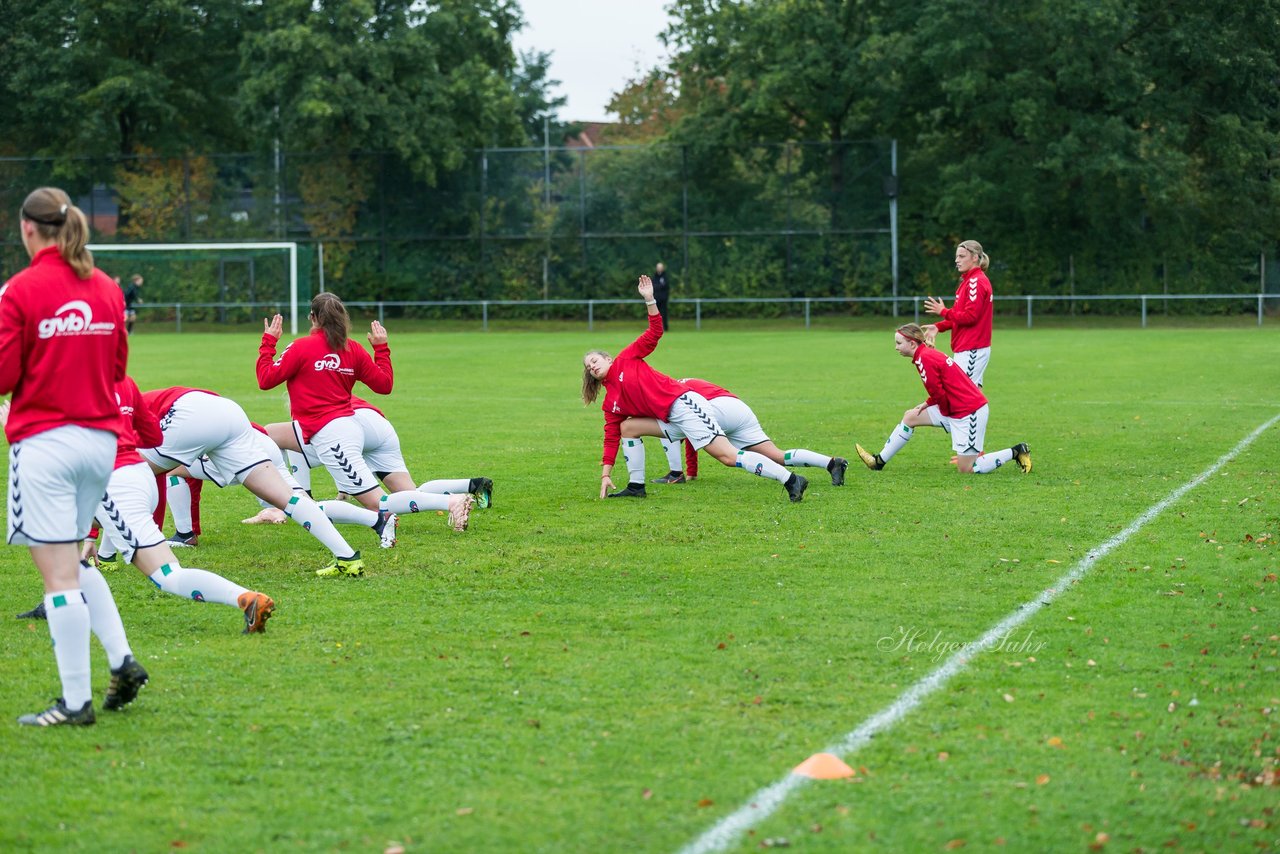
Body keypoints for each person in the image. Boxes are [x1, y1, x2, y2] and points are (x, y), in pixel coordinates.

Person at [0, 187, 144, 726]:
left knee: (58, 577)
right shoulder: (106, 288)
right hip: (101, 444)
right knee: (76, 565)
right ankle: (122, 660)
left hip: (46, 443)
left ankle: (76, 703)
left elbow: (5, 377)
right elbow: (116, 371)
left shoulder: (19, 289)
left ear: (28, 229)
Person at [11, 378, 277, 633]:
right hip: (138, 476)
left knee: (167, 575)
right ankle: (56, 600)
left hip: (114, 484)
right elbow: (152, 436)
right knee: (60, 532)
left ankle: (245, 598)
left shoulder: (64, 388)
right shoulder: (122, 381)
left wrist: (13, 429)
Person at [257, 294, 474, 561]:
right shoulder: (353, 349)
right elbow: (384, 385)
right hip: (351, 426)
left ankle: (451, 501)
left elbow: (265, 379)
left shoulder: (300, 347)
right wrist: (381, 349)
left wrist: (268, 342)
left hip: (332, 436)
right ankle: (296, 501)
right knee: (273, 436)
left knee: (379, 504)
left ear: (312, 318)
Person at [583, 275, 808, 502]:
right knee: (627, 428)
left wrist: (650, 299)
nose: (592, 366)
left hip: (684, 405)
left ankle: (790, 479)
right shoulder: (610, 402)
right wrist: (606, 474)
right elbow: (610, 437)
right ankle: (636, 486)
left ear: (608, 359)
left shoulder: (627, 358)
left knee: (728, 457)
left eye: (594, 360)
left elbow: (655, 333)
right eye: (588, 366)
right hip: (670, 419)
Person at [137, 386, 369, 577]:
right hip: (230, 413)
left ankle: (107, 555)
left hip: (192, 414)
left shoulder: (111, 414)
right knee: (289, 498)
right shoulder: (122, 398)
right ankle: (348, 558)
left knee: (131, 473)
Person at [263, 394, 494, 512]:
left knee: (271, 435)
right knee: (409, 492)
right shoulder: (332, 379)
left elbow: (335, 446)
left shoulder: (306, 399)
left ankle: (299, 501)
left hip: (348, 427)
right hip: (378, 425)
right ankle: (473, 486)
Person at [854, 323, 1031, 475]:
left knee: (966, 469)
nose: (896, 347)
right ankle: (878, 462)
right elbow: (940, 390)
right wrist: (928, 403)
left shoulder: (924, 359)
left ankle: (1017, 451)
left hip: (969, 411)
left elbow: (939, 393)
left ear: (912, 343)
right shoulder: (924, 355)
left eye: (899, 343)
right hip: (954, 408)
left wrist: (947, 418)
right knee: (910, 417)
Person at [642, 378, 848, 487]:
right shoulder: (682, 382)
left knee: (666, 423)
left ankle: (675, 474)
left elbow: (691, 425)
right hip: (738, 409)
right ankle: (832, 463)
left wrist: (691, 471)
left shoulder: (670, 394)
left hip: (718, 409)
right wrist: (693, 471)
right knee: (777, 455)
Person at [922, 239, 993, 385]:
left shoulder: (975, 282)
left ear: (974, 257)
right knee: (971, 395)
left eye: (961, 256)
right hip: (966, 348)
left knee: (961, 395)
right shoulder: (968, 281)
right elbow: (959, 315)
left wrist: (943, 311)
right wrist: (939, 326)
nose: (957, 260)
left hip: (972, 348)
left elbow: (970, 317)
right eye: (957, 256)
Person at [652, 262, 670, 331]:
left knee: (664, 314)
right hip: (656, 299)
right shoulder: (654, 277)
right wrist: (660, 286)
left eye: (660, 267)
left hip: (663, 300)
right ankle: (655, 329)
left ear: (663, 268)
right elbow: (654, 286)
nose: (659, 269)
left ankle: (665, 328)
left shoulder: (665, 277)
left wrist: (659, 287)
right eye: (658, 267)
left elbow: (666, 286)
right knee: (655, 315)